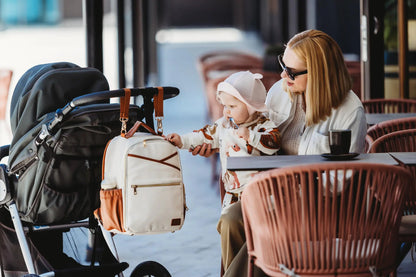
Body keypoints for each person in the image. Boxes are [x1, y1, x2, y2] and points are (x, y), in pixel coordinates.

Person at [192, 29, 367, 276]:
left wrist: (290, 188)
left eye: (292, 71)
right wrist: (217, 142)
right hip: (269, 193)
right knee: (232, 219)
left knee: (263, 231)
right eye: (283, 65)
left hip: (319, 206)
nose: (283, 74)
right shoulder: (278, 91)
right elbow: (249, 130)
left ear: (319, 74)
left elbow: (336, 184)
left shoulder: (349, 111)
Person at [165, 70, 281, 271]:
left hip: (261, 194)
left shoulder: (263, 126)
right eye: (225, 106)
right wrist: (182, 141)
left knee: (250, 234)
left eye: (233, 106)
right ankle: (232, 270)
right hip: (233, 194)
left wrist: (250, 137)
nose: (226, 111)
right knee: (226, 228)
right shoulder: (224, 126)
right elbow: (204, 136)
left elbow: (273, 143)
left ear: (251, 106)